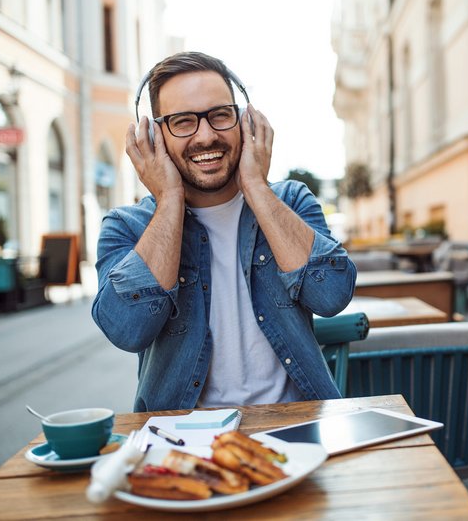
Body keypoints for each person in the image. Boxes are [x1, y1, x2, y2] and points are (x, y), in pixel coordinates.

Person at [91, 51, 356, 412]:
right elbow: (128, 329)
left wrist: (257, 188)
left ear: (244, 122)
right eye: (183, 122)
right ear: (154, 135)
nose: (205, 136)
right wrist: (169, 198)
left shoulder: (291, 201)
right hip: (179, 439)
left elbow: (331, 296)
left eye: (220, 116)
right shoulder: (125, 227)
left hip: (298, 426)